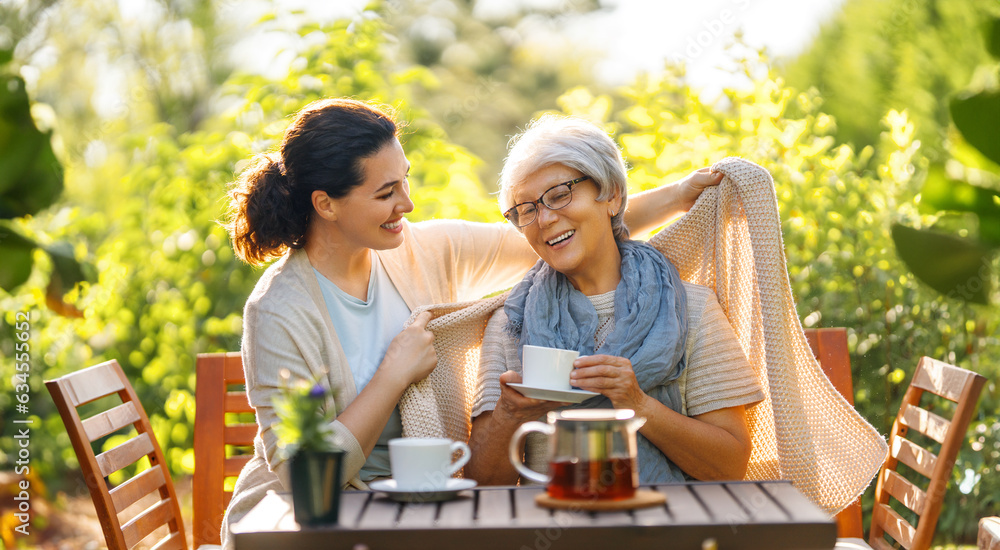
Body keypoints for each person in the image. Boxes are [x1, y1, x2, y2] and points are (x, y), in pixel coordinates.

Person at [219, 98, 721, 545]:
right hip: (323, 523)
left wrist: (678, 195)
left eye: (406, 179)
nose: (407, 204)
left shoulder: (419, 249)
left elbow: (546, 232)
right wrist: (393, 375)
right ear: (325, 204)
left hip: (432, 508)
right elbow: (302, 475)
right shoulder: (280, 312)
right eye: (386, 192)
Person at [465, 115, 765, 485]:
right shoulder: (512, 322)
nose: (544, 219)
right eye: (526, 210)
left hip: (668, 530)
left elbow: (730, 467)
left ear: (612, 196)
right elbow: (482, 485)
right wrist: (510, 415)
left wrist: (638, 405)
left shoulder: (690, 309)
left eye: (559, 195)